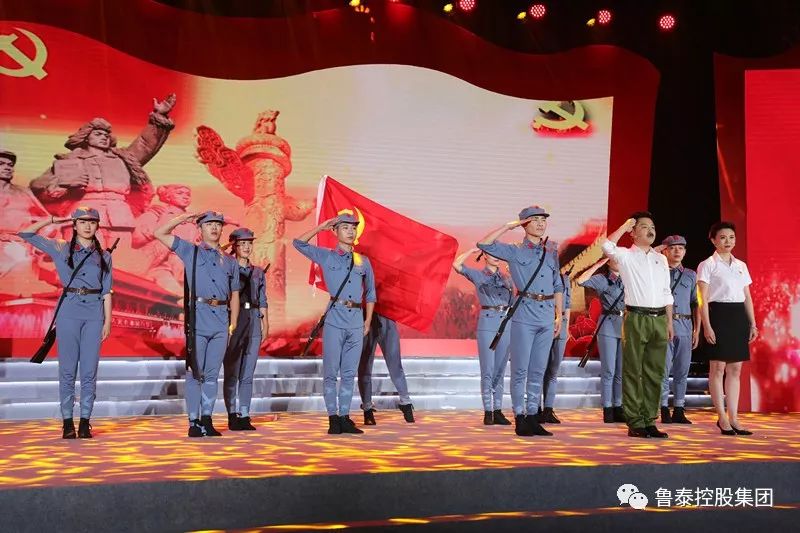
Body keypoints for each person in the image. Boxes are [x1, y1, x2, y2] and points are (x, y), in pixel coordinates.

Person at [18, 207, 113, 439]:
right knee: (68, 370)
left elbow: (107, 291)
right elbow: (26, 234)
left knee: (89, 371)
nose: (87, 226)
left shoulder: (104, 256)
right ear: (74, 225)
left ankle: (85, 421)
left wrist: (108, 321)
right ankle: (68, 422)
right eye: (82, 222)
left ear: (97, 226)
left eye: (92, 222)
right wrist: (52, 219)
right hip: (69, 311)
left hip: (94, 314)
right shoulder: (60, 247)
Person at [477, 206, 563, 437]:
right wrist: (508, 226)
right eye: (535, 220)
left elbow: (557, 284)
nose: (541, 224)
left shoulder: (551, 251)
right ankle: (520, 417)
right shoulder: (514, 251)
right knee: (520, 370)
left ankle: (533, 416)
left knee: (538, 370)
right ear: (524, 224)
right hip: (525, 314)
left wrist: (559, 315)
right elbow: (484, 244)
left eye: (543, 220)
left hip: (547, 315)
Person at [154, 210, 240, 437]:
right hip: (198, 318)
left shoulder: (230, 261)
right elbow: (159, 233)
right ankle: (193, 421)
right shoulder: (189, 251)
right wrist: (183, 219)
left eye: (218, 224)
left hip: (221, 320)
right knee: (194, 372)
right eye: (209, 224)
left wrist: (232, 323)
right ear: (200, 229)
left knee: (212, 374)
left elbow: (234, 294)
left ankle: (207, 418)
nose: (214, 228)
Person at [293, 214, 376, 435]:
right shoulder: (327, 256)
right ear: (335, 231)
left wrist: (367, 321)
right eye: (345, 227)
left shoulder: (363, 261)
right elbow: (298, 243)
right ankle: (333, 418)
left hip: (356, 321)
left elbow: (370, 294)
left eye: (353, 228)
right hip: (335, 319)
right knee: (331, 372)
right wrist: (321, 227)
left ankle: (345, 417)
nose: (350, 231)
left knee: (349, 373)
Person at [602, 212, 673, 438]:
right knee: (633, 370)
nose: (650, 230)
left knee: (655, 371)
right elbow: (606, 246)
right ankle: (635, 421)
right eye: (643, 226)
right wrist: (624, 226)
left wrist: (669, 322)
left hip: (659, 318)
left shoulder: (661, 259)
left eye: (652, 226)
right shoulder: (625, 255)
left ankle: (649, 419)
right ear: (633, 233)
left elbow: (667, 292)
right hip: (636, 317)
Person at [697, 222, 756, 436]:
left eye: (731, 237)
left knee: (735, 369)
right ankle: (722, 417)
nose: (728, 241)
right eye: (722, 237)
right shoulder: (707, 264)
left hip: (738, 316)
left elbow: (747, 296)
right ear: (713, 240)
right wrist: (707, 326)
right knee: (717, 368)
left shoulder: (741, 265)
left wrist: (752, 323)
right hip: (718, 315)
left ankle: (734, 418)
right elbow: (702, 299)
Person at [452, 247, 513, 425]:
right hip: (488, 323)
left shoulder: (507, 277)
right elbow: (457, 264)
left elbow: (515, 300)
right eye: (491, 252)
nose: (496, 256)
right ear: (485, 255)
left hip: (506, 324)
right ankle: (488, 411)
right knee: (488, 369)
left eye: (497, 252)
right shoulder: (478, 275)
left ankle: (498, 411)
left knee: (500, 370)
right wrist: (472, 250)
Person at [223, 228, 268, 431]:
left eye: (250, 243)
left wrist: (265, 323)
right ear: (234, 246)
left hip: (253, 318)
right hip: (235, 317)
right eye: (242, 243)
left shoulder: (258, 272)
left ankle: (245, 414)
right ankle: (232, 414)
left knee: (248, 372)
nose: (247, 247)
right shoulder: (226, 268)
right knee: (232, 371)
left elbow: (263, 299)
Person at [577, 257, 626, 423]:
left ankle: (618, 406)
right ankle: (607, 408)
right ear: (608, 262)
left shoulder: (628, 278)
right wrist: (597, 264)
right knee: (609, 370)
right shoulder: (602, 279)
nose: (618, 261)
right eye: (614, 258)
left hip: (625, 326)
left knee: (621, 371)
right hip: (608, 325)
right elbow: (581, 281)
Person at [658, 235, 700, 424]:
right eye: (673, 248)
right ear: (665, 251)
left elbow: (696, 303)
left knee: (682, 370)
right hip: (663, 325)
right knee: (663, 370)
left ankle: (679, 409)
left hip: (685, 326)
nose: (677, 251)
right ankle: (663, 408)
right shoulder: (658, 272)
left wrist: (697, 330)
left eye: (681, 248)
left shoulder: (691, 275)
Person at [132, 184, 199, 295]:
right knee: (178, 296)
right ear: (167, 196)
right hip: (160, 268)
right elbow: (136, 240)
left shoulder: (193, 222)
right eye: (179, 193)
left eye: (188, 194)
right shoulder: (156, 214)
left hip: (185, 269)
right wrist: (160, 226)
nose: (185, 197)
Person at [357, 313, 415, 425]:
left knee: (391, 365)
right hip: (371, 318)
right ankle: (405, 403)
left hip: (380, 317)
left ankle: (369, 410)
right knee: (365, 367)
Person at [541, 263, 572, 424]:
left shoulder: (564, 279)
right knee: (539, 369)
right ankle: (535, 409)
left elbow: (567, 305)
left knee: (553, 370)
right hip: (543, 323)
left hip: (561, 325)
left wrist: (566, 327)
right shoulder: (541, 277)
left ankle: (548, 409)